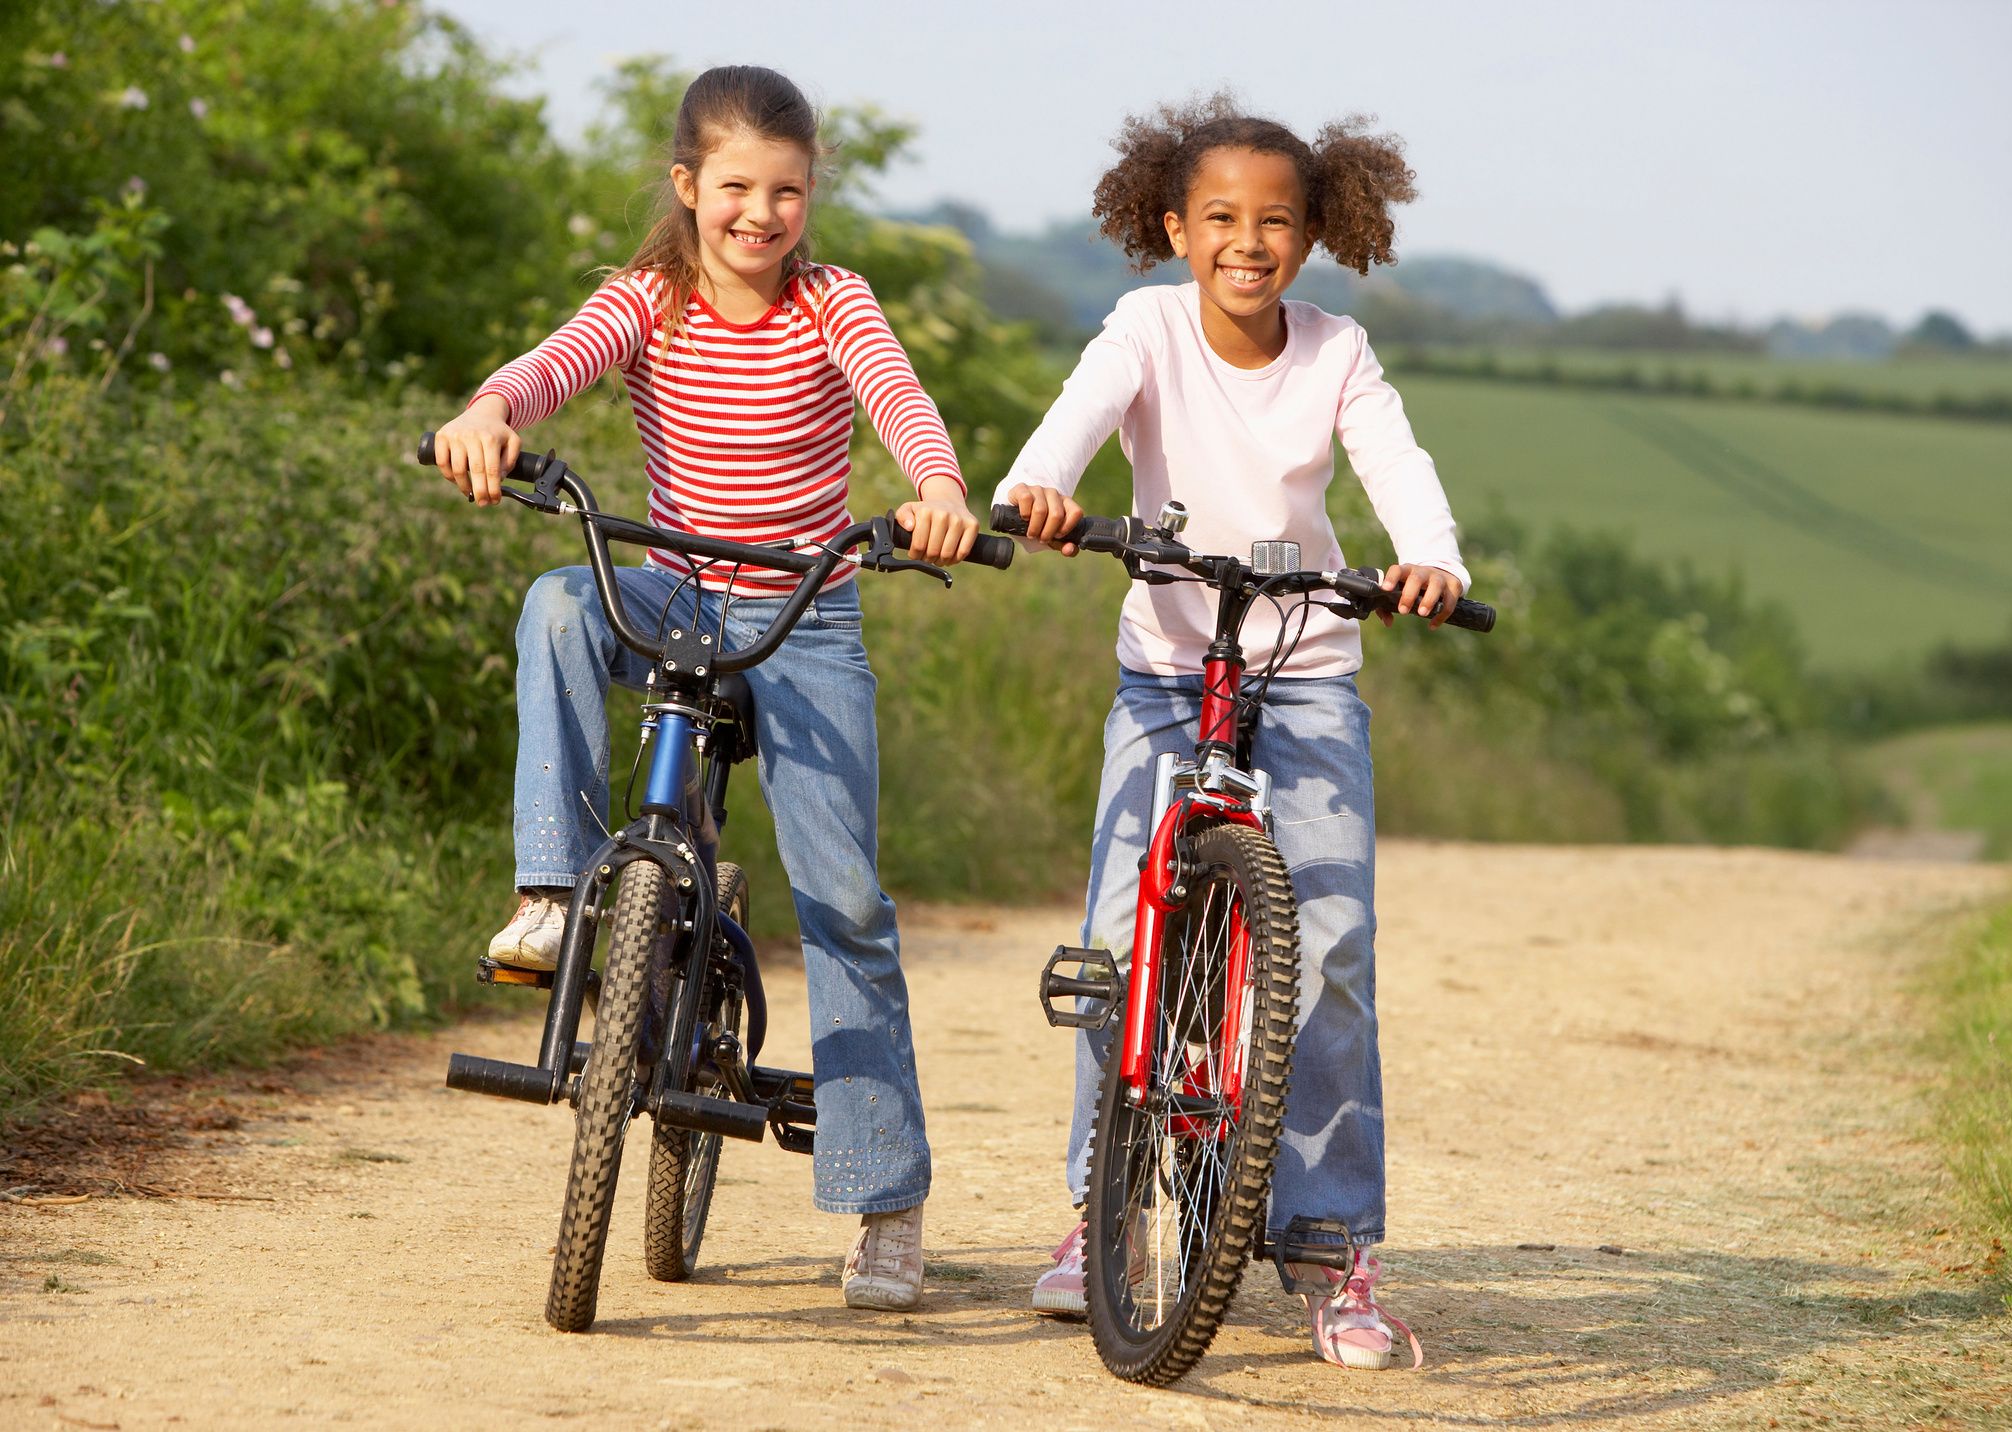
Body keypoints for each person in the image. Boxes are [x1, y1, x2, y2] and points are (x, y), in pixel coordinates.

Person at [427, 64, 977, 1314]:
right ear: (688, 187)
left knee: (843, 898)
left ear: (809, 195)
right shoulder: (651, 298)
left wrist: (936, 490)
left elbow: (899, 395)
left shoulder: (834, 300)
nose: (760, 214)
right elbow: (557, 362)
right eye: (735, 187)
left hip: (804, 608)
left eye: (786, 190)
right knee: (557, 599)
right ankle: (557, 890)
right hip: (673, 591)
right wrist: (490, 410)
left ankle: (884, 1200)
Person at [996, 95, 1466, 1371]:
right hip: (1167, 671)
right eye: (1219, 219)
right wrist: (1040, 483)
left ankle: (1332, 1250)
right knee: (1114, 936)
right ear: (1173, 226)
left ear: (1312, 235)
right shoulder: (1148, 326)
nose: (1246, 243)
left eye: (1274, 222)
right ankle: (1099, 1215)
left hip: (1305, 669)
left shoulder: (1338, 351)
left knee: (1332, 949)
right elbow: (1082, 414)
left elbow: (1398, 467)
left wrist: (1428, 557)